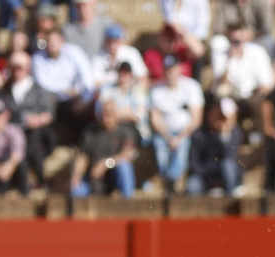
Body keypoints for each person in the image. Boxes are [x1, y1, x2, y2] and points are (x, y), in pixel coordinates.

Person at [1, 50, 57, 194]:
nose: (16, 71)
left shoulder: (38, 89)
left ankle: (38, 180)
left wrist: (38, 120)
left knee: (32, 142)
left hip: (35, 131)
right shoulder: (5, 89)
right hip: (12, 131)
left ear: (28, 68)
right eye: (13, 67)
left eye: (19, 67)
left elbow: (49, 113)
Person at [149, 55, 204, 192]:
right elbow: (155, 119)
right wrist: (169, 137)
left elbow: (196, 119)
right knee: (160, 148)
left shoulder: (191, 86)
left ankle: (172, 181)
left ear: (179, 69)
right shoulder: (156, 90)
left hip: (185, 132)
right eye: (167, 70)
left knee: (182, 149)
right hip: (164, 133)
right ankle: (169, 182)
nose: (170, 73)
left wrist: (179, 137)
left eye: (172, 69)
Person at [70, 97, 138, 197]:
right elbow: (83, 156)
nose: (105, 117)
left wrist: (106, 163)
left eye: (108, 114)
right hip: (94, 180)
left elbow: (128, 155)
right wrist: (76, 175)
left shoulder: (126, 131)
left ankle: (127, 200)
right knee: (76, 190)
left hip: (114, 178)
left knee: (124, 166)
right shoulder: (91, 132)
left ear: (116, 114)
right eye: (102, 114)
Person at [188, 98, 244, 194]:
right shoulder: (199, 134)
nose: (220, 120)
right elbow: (194, 164)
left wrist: (224, 135)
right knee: (193, 185)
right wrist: (211, 180)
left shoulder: (235, 132)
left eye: (224, 117)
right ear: (210, 113)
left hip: (227, 179)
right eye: (218, 115)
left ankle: (231, 200)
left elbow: (230, 158)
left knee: (227, 165)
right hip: (206, 177)